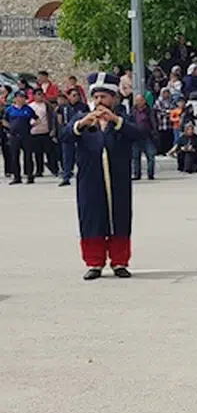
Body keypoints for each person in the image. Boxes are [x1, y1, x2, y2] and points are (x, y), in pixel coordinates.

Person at [63, 73, 142, 280]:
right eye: (96, 97)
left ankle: (119, 262)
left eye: (104, 97)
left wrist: (116, 121)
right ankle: (94, 263)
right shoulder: (81, 117)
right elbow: (64, 135)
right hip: (90, 179)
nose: (100, 101)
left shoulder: (124, 117)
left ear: (114, 98)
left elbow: (140, 134)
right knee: (92, 219)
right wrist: (80, 125)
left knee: (119, 218)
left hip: (118, 179)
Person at [5, 90, 36, 185]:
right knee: (14, 156)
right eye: (20, 97)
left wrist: (31, 126)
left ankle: (30, 176)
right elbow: (4, 120)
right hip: (14, 136)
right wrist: (10, 128)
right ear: (15, 98)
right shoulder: (10, 109)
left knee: (28, 156)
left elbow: (36, 119)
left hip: (26, 135)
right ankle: (16, 177)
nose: (22, 99)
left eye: (23, 97)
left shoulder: (28, 109)